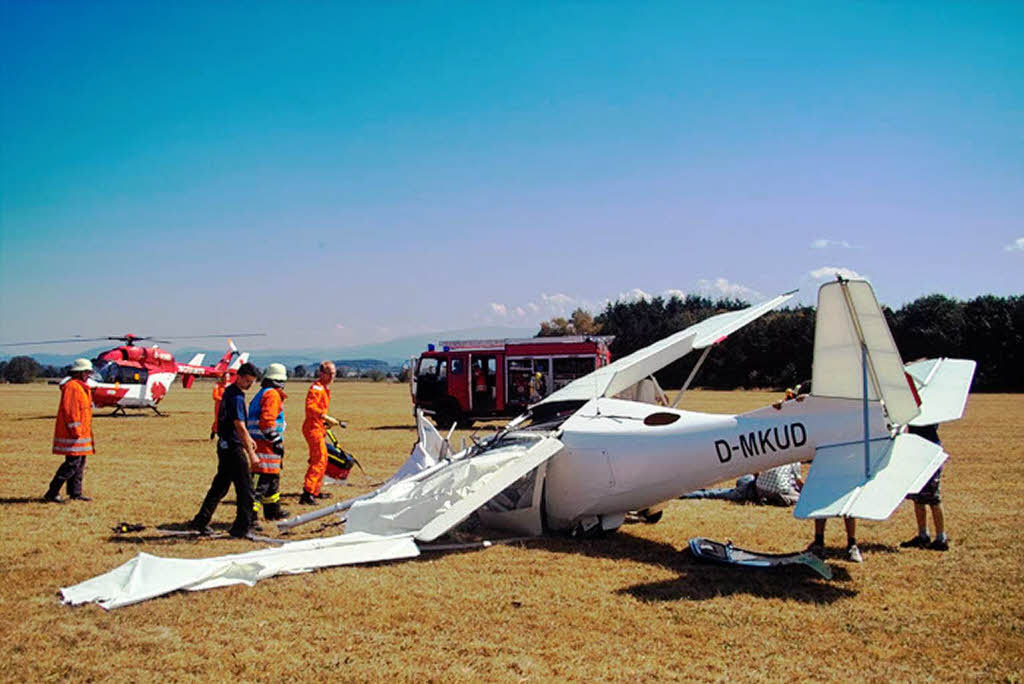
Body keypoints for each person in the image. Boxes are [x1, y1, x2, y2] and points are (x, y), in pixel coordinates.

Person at [189, 362, 261, 537]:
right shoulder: (236, 397)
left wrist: (249, 440)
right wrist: (252, 455)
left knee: (220, 486)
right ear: (240, 377)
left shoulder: (229, 392)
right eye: (248, 381)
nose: (250, 385)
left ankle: (201, 520)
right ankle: (241, 527)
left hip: (224, 446)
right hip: (233, 448)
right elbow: (240, 426)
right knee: (245, 488)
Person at [44, 358, 96, 503]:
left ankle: (75, 493)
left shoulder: (81, 387)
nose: (88, 375)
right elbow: (71, 411)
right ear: (79, 373)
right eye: (87, 372)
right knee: (71, 464)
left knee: (79, 464)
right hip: (74, 434)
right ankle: (52, 492)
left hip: (81, 434)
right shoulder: (72, 387)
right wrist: (76, 429)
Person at [247, 363, 290, 521]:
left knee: (271, 482)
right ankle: (249, 517)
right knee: (260, 485)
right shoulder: (272, 395)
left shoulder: (263, 392)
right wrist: (276, 440)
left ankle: (273, 512)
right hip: (265, 448)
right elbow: (266, 422)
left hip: (262, 446)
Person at [900, 423, 949, 551]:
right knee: (917, 496)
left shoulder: (930, 412)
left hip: (930, 451)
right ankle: (923, 535)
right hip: (916, 451)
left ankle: (941, 538)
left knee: (934, 498)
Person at [300, 361, 340, 505]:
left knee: (322, 460)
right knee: (319, 460)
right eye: (330, 373)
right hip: (313, 428)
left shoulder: (324, 388)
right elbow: (311, 408)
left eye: (334, 373)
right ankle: (308, 493)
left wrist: (325, 422)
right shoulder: (317, 388)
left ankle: (315, 490)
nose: (333, 376)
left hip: (318, 427)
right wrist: (325, 416)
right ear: (322, 374)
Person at [210, 373, 229, 440]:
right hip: (219, 406)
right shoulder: (217, 386)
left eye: (228, 377)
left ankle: (223, 434)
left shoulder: (230, 386)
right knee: (218, 420)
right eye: (225, 377)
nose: (226, 378)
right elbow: (214, 396)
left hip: (228, 406)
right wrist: (222, 399)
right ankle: (214, 430)